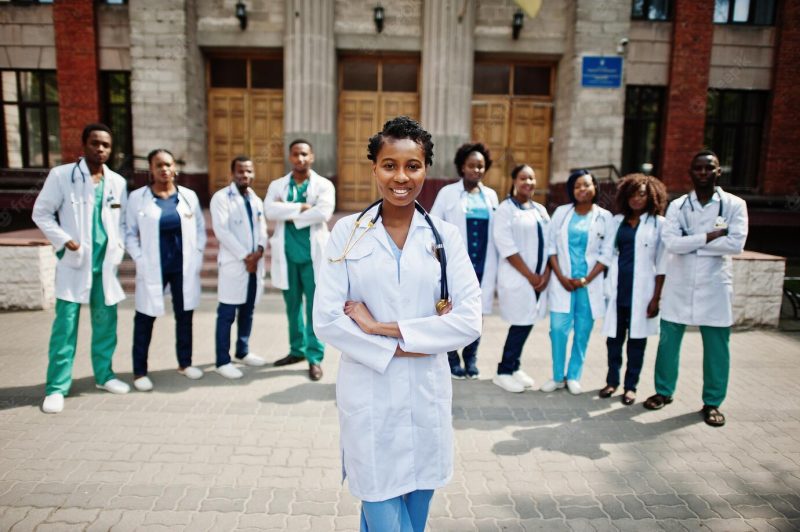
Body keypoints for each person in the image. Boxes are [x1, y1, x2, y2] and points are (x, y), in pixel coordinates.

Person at [313, 116, 482, 532]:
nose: (401, 177)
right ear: (374, 168)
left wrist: (380, 329)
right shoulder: (346, 234)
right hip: (370, 393)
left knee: (416, 509)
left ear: (426, 169)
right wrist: (416, 341)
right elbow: (328, 319)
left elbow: (469, 319)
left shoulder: (446, 237)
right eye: (390, 165)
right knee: (384, 510)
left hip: (426, 393)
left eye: (413, 166)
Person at [644, 150, 748, 427]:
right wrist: (710, 237)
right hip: (679, 284)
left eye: (709, 168)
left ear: (718, 172)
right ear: (690, 173)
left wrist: (692, 242)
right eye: (698, 168)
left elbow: (735, 244)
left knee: (716, 346)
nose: (703, 173)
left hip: (714, 285)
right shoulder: (678, 206)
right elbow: (672, 244)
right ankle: (663, 392)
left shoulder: (734, 205)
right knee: (668, 342)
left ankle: (712, 402)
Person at [32, 123, 130, 413]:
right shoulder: (62, 176)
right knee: (65, 327)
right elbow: (41, 212)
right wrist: (65, 241)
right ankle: (57, 387)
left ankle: (105, 376)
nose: (100, 149)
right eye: (95, 143)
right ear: (84, 145)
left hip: (105, 266)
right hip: (74, 265)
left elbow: (121, 223)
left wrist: (119, 247)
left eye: (106, 145)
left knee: (105, 325)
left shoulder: (117, 183)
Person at [125, 149, 206, 391]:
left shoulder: (189, 196)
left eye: (168, 164)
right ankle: (139, 371)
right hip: (153, 267)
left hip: (182, 267)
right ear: (150, 169)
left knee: (184, 315)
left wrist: (198, 254)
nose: (164, 169)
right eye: (158, 165)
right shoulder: (138, 197)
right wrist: (139, 258)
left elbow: (200, 228)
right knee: (145, 318)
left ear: (175, 168)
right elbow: (129, 233)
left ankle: (185, 363)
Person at [265, 139, 335, 381]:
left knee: (314, 307)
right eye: (296, 154)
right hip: (287, 255)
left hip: (312, 256)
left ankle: (315, 357)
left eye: (304, 154)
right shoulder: (278, 185)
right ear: (290, 157)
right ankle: (296, 351)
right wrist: (303, 208)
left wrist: (287, 210)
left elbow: (324, 213)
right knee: (292, 306)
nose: (300, 159)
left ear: (312, 157)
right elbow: (269, 210)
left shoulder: (324, 185)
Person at [430, 142, 498, 380]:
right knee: (451, 311)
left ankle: (471, 358)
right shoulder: (447, 193)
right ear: (461, 167)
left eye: (480, 166)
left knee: (476, 313)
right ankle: (451, 359)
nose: (476, 170)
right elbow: (433, 227)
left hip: (483, 264)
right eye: (471, 165)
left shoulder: (491, 196)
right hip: (456, 265)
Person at [543, 170, 613, 395]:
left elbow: (606, 254)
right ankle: (556, 377)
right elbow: (551, 247)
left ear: (595, 188)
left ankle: (574, 376)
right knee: (557, 330)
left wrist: (586, 279)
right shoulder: (562, 213)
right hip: (563, 283)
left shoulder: (605, 217)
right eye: (577, 186)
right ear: (572, 191)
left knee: (582, 332)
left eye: (586, 185)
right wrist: (562, 277)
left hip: (588, 285)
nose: (582, 189)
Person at [599, 174, 667, 405]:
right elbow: (607, 254)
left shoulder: (658, 224)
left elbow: (662, 264)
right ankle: (612, 381)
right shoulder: (617, 222)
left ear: (651, 197)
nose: (637, 199)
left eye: (642, 194)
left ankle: (631, 387)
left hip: (643, 294)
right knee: (614, 342)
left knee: (637, 343)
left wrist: (656, 298)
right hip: (618, 291)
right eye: (632, 194)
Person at [491, 164, 551, 393]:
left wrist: (544, 274)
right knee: (519, 323)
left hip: (537, 279)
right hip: (519, 278)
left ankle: (514, 366)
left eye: (532, 178)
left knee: (527, 322)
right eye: (523, 178)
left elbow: (550, 243)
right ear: (514, 181)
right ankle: (503, 371)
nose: (528, 182)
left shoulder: (540, 210)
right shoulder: (505, 209)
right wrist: (530, 276)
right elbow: (506, 246)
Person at [210, 156, 269, 379]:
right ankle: (222, 360)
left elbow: (262, 228)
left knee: (248, 310)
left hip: (254, 263)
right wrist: (247, 257)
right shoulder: (221, 198)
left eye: (249, 171)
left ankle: (242, 351)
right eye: (240, 171)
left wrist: (260, 250)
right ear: (232, 173)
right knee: (227, 313)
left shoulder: (255, 198)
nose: (245, 175)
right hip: (236, 264)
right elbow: (222, 231)